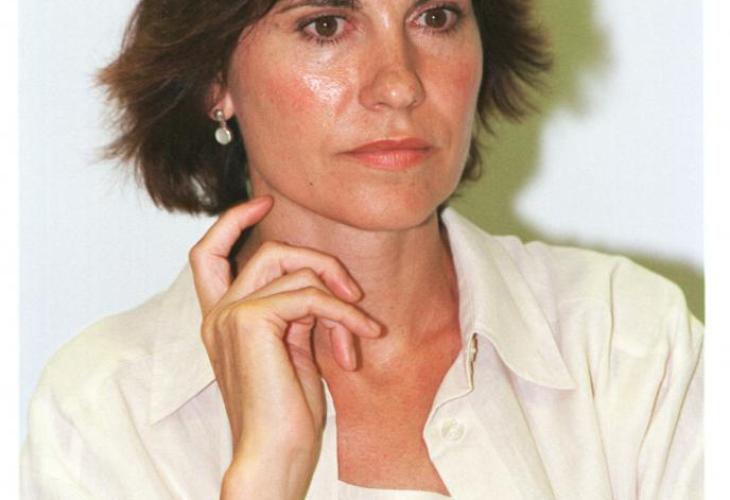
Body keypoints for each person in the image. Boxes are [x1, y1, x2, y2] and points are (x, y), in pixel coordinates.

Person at [21, 0, 703, 498]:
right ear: (213, 82)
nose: (400, 85)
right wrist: (266, 474)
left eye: (435, 17)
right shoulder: (108, 408)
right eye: (326, 25)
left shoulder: (629, 343)